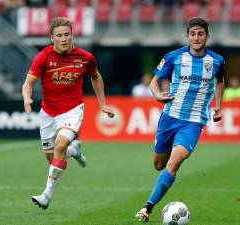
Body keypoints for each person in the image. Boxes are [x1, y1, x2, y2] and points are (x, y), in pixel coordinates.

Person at [135, 17, 225, 222]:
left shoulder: (217, 61)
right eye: (193, 33)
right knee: (159, 165)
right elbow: (154, 82)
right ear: (187, 36)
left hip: (193, 121)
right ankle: (160, 184)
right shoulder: (174, 57)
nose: (196, 37)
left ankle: (147, 208)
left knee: (174, 162)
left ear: (207, 36)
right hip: (169, 117)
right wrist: (157, 95)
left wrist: (218, 106)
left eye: (200, 33)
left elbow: (220, 81)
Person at [22, 17, 114, 210]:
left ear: (72, 35)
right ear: (51, 37)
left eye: (66, 34)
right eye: (59, 35)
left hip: (72, 111)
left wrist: (103, 104)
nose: (63, 39)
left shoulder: (85, 57)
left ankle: (46, 195)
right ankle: (75, 151)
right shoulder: (43, 57)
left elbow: (96, 77)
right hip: (48, 113)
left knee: (60, 144)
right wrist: (27, 97)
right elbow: (29, 82)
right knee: (53, 157)